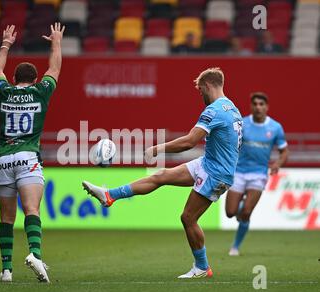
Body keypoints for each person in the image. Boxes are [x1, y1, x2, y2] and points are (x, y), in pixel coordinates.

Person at [83, 68, 243, 278]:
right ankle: (109, 195)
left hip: (216, 173)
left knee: (188, 218)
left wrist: (157, 149)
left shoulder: (214, 110)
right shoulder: (232, 108)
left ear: (207, 86)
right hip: (210, 163)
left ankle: (202, 268)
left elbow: (189, 142)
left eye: (200, 90)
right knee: (161, 176)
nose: (200, 95)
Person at [0, 23, 65, 282]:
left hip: (2, 159)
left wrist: (5, 44)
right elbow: (55, 68)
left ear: (14, 79)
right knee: (31, 209)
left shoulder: (4, 92)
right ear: (35, 79)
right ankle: (35, 254)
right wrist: (56, 41)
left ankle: (6, 270)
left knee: (6, 217)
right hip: (28, 157)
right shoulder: (40, 92)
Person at [225, 92, 289, 256]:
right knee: (231, 213)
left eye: (261, 104)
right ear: (251, 106)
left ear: (266, 107)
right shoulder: (242, 124)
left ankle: (235, 247)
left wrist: (277, 164)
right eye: (255, 104)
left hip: (258, 174)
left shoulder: (275, 127)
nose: (258, 107)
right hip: (238, 172)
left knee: (246, 213)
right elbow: (230, 144)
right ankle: (241, 203)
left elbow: (284, 152)